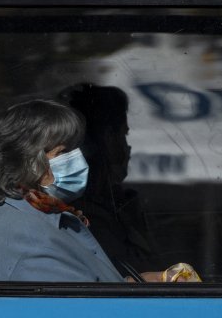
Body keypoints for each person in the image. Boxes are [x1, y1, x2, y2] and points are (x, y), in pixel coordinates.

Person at [0, 99, 135, 282]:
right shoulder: (29, 238)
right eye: (63, 153)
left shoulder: (38, 211)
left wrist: (130, 284)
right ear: (25, 161)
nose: (78, 159)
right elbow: (86, 306)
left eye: (76, 149)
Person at [62, 83, 160, 276]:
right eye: (124, 135)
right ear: (109, 138)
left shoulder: (120, 203)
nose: (128, 149)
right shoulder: (82, 214)